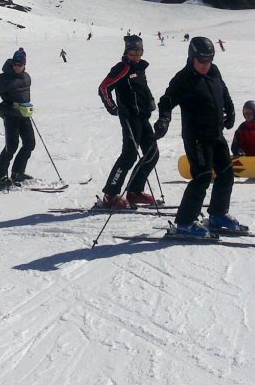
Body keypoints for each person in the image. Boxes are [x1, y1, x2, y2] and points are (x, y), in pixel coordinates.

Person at [153, 36, 242, 237]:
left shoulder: (214, 71)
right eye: (201, 60)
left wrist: (230, 109)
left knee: (226, 173)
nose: (205, 65)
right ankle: (185, 222)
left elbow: (223, 91)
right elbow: (167, 100)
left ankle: (218, 214)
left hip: (216, 134)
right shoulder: (183, 78)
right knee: (202, 177)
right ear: (192, 57)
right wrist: (164, 120)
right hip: (196, 138)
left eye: (209, 60)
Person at [97, 35, 160, 208]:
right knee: (130, 155)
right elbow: (104, 88)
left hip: (142, 116)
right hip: (130, 117)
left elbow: (142, 88)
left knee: (152, 153)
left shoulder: (140, 68)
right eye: (133, 52)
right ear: (126, 52)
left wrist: (150, 101)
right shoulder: (122, 68)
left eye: (139, 51)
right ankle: (110, 194)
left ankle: (134, 191)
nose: (136, 55)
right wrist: (114, 108)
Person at [0, 48, 35, 185]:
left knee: (29, 143)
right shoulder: (4, 79)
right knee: (11, 146)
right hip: (11, 116)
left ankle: (17, 172)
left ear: (24, 64)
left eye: (20, 64)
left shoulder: (27, 77)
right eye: (15, 64)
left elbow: (23, 94)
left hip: (24, 115)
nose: (17, 67)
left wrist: (27, 106)